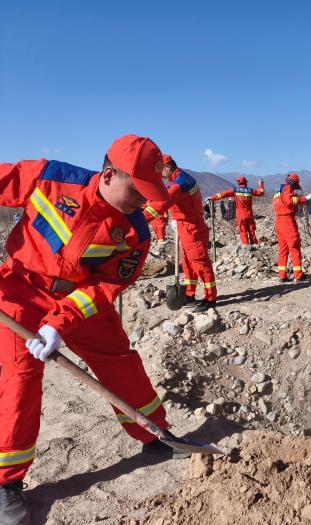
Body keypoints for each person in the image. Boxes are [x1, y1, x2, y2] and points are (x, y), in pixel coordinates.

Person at [0, 136, 189, 524]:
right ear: (107, 175)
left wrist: (60, 322)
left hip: (79, 299)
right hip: (21, 290)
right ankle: (6, 482)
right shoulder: (50, 178)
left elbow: (105, 286)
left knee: (119, 361)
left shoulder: (136, 232)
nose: (144, 200)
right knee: (22, 375)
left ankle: (155, 434)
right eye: (138, 190)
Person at [144, 155, 217, 312]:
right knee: (188, 263)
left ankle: (210, 298)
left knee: (200, 263)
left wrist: (140, 219)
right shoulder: (181, 179)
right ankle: (189, 293)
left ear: (168, 167)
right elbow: (162, 196)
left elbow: (161, 203)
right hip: (186, 226)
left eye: (160, 170)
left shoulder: (180, 184)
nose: (160, 175)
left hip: (192, 228)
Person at [272, 173, 311, 282]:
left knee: (283, 250)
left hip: (279, 221)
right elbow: (289, 201)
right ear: (293, 183)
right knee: (294, 247)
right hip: (287, 221)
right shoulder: (288, 187)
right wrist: (304, 199)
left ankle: (282, 276)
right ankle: (299, 275)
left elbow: (281, 202)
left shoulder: (278, 189)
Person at [208, 177, 264, 249]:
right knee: (251, 230)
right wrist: (261, 184)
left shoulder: (235, 190)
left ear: (238, 183)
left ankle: (246, 246)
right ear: (246, 183)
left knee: (243, 231)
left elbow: (223, 194)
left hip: (241, 214)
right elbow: (261, 192)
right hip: (249, 214)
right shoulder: (250, 190)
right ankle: (255, 245)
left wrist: (212, 198)